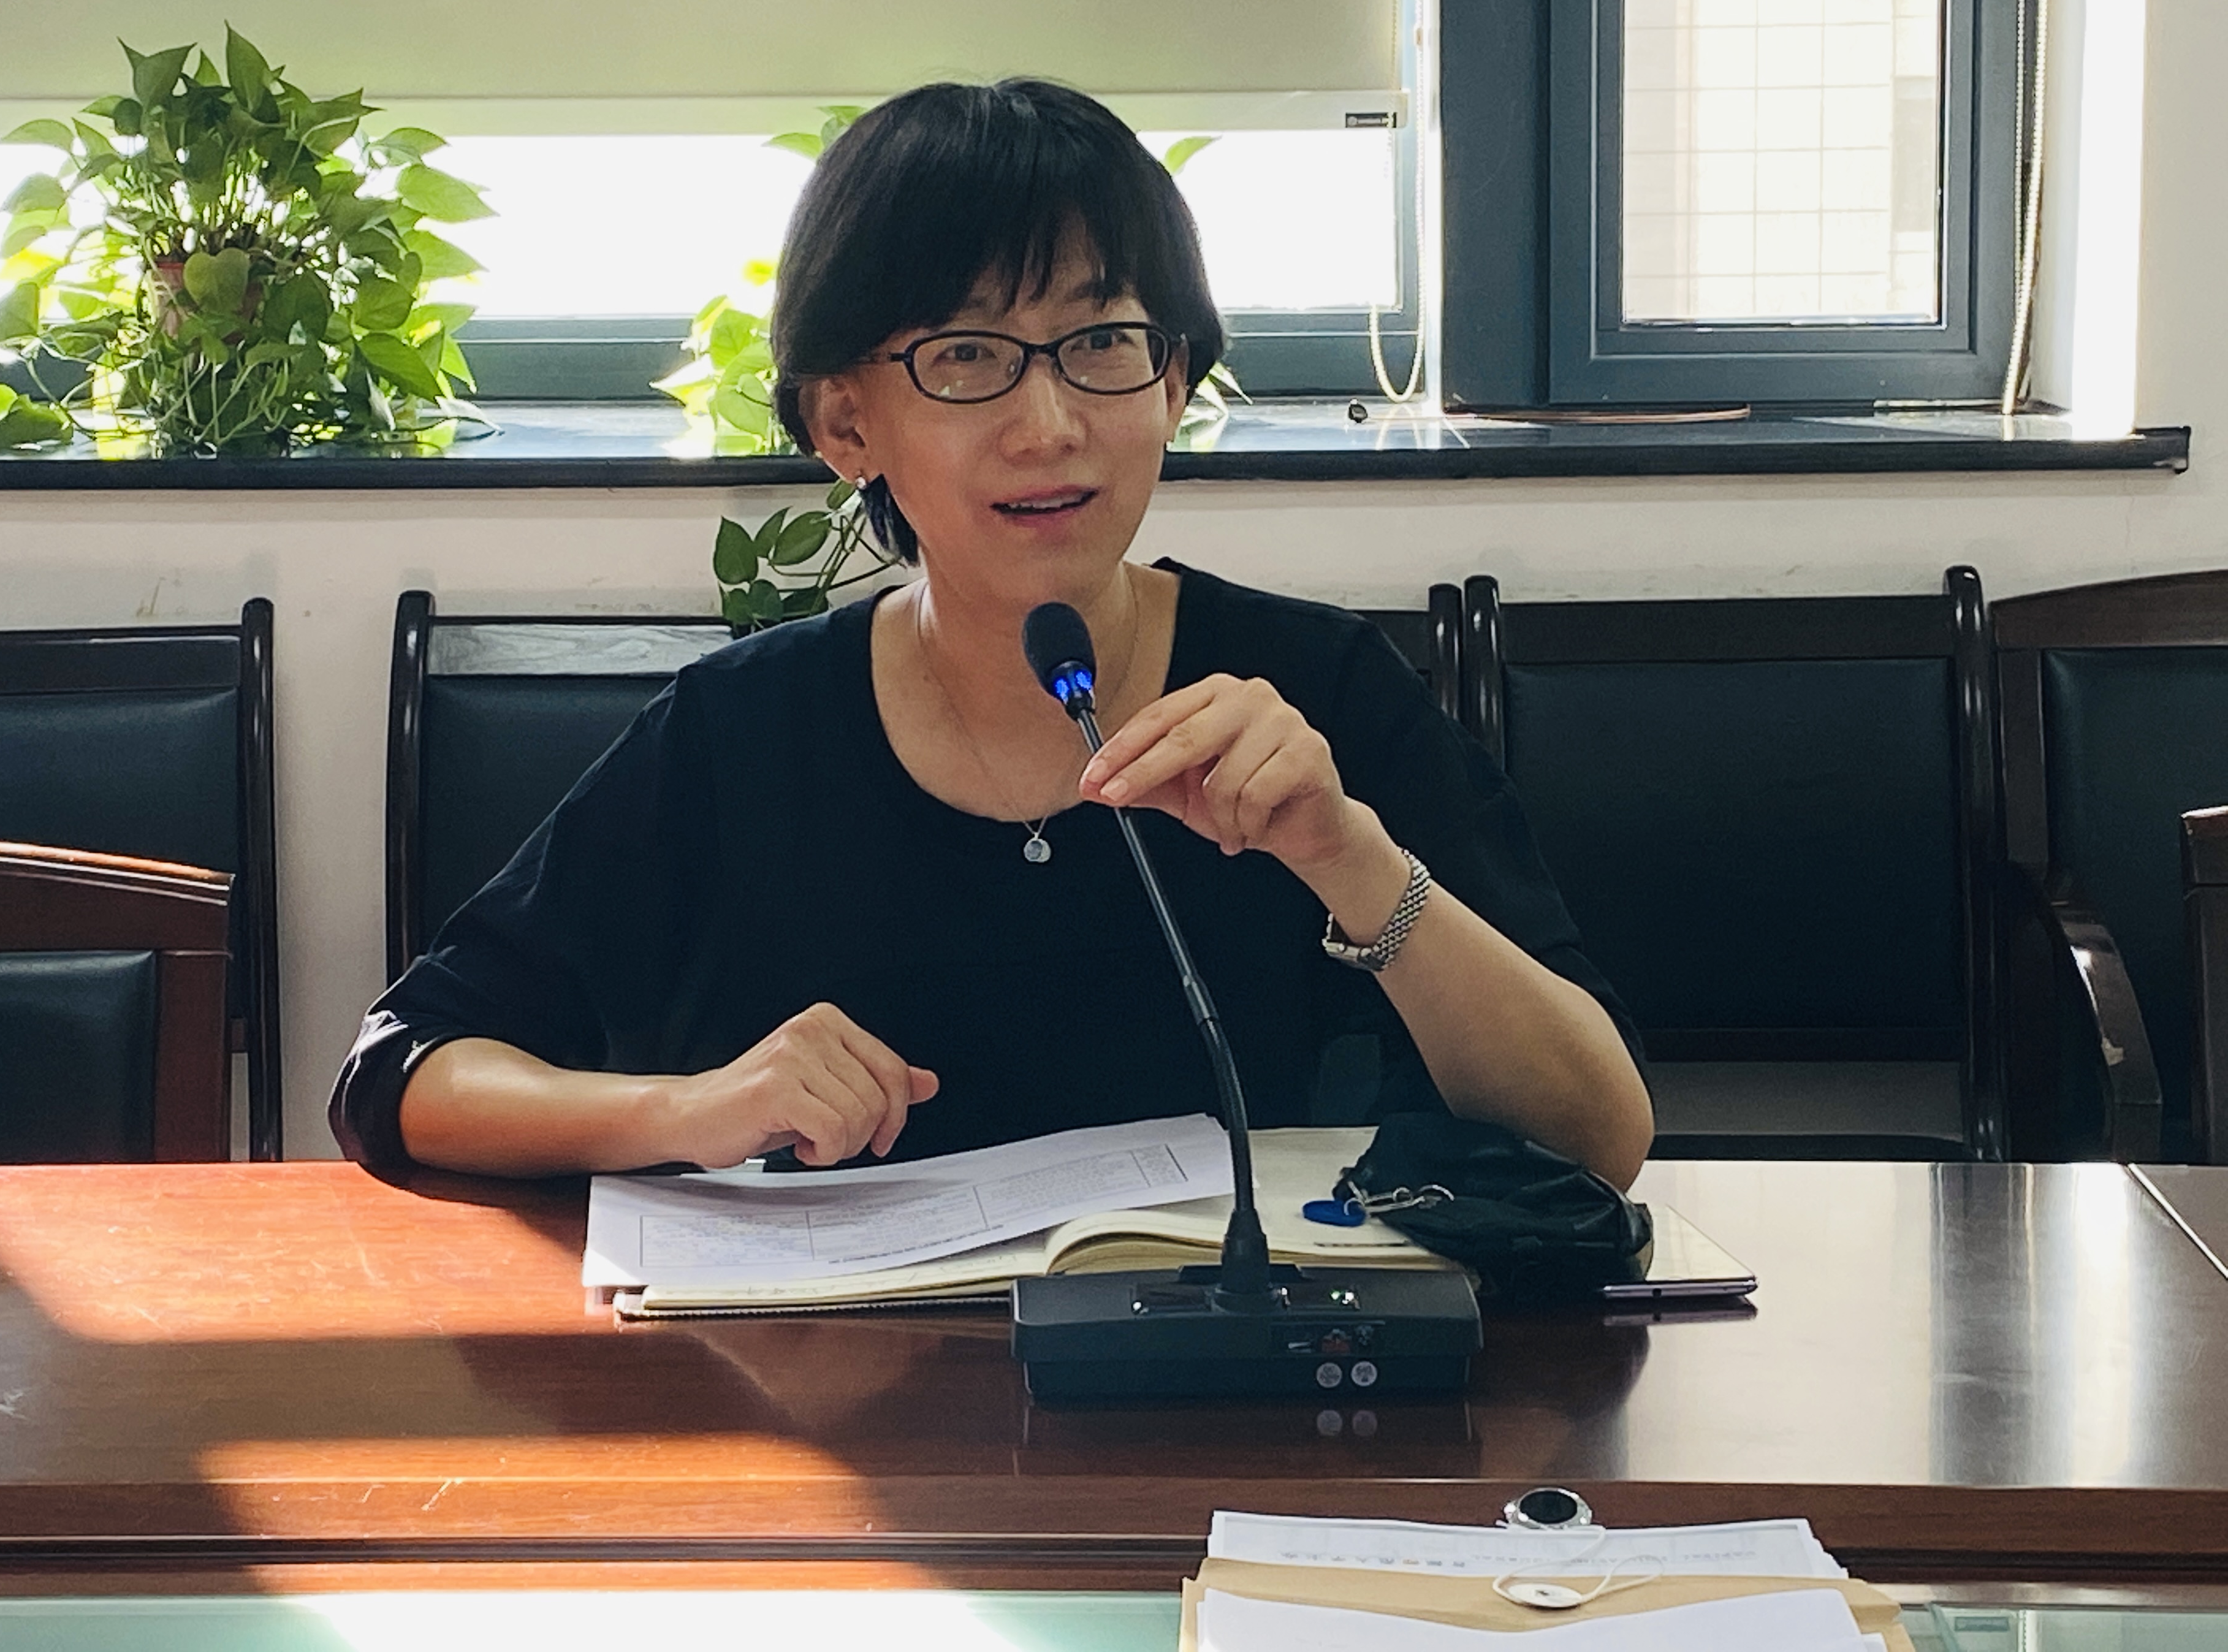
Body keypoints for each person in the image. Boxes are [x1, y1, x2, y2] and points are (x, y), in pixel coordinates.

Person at [330, 79, 1654, 1189]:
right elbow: (404, 1073)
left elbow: (1599, 1135)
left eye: (1102, 342)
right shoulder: (744, 734)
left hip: (1224, 1381)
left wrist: (1346, 855)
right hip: (843, 1399)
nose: (1050, 424)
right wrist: (691, 1110)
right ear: (845, 423)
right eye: (967, 356)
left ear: (1174, 384)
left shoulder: (1313, 696)